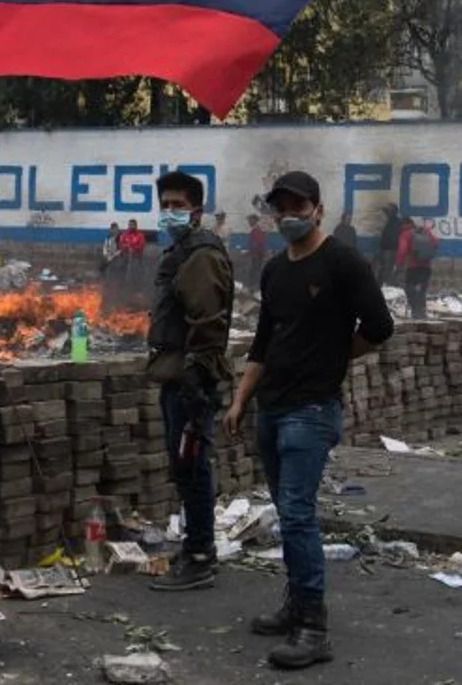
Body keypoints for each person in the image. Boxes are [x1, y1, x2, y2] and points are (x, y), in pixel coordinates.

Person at [224, 172, 393, 670]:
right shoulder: (276, 270)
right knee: (285, 510)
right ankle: (295, 604)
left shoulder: (341, 261)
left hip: (311, 410)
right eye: (281, 208)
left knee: (297, 514)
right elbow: (263, 342)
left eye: (298, 206)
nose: (288, 215)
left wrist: (335, 357)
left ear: (318, 209)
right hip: (271, 409)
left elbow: (380, 327)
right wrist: (240, 399)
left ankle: (313, 627)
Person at [146, 171, 234, 593]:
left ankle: (200, 555)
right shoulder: (181, 250)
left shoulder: (199, 254)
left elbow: (208, 319)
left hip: (189, 379)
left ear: (196, 210)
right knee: (184, 466)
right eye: (165, 205)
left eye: (177, 205)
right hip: (177, 374)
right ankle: (195, 547)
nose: (169, 212)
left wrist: (198, 378)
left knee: (192, 466)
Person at [394, 218, 438, 319]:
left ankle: (415, 311)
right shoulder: (426, 232)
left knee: (410, 288)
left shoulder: (405, 234)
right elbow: (436, 243)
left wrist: (398, 265)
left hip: (413, 267)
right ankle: (421, 311)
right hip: (426, 267)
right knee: (422, 290)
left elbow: (402, 251)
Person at [116, 219, 148, 307]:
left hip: (136, 258)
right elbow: (121, 244)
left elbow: (141, 245)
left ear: (136, 226)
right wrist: (127, 248)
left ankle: (137, 291)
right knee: (121, 271)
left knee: (137, 274)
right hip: (125, 258)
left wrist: (133, 249)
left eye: (133, 225)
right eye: (130, 225)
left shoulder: (140, 235)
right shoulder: (124, 235)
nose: (131, 227)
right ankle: (121, 290)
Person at [375, 204, 404, 286]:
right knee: (387, 267)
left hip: (389, 248)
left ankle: (385, 284)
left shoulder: (392, 222)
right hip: (390, 248)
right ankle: (385, 283)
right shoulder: (395, 221)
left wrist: (383, 245)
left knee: (386, 267)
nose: (387, 213)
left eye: (389, 211)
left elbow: (390, 236)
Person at [246, 215, 268, 285]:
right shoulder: (256, 230)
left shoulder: (257, 230)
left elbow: (258, 243)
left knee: (254, 271)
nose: (249, 222)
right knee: (255, 270)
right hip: (257, 254)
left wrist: (253, 252)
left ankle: (254, 286)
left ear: (254, 220)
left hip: (257, 254)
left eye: (250, 220)